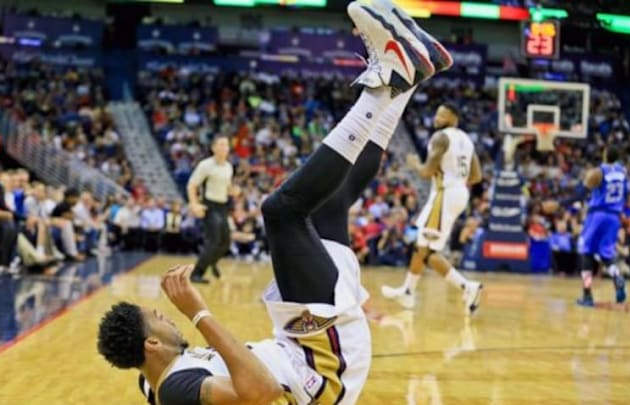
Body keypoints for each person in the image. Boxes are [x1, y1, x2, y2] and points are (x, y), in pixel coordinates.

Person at [96, 2, 451, 403]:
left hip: (306, 350)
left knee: (329, 206)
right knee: (280, 211)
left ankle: (410, 80)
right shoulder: (174, 387)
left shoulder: (155, 379)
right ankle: (389, 77)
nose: (166, 317)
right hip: (321, 368)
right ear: (152, 346)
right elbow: (262, 392)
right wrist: (198, 313)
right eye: (157, 320)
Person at [381, 102, 484, 316]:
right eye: (437, 113)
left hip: (444, 194)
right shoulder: (466, 139)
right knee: (422, 244)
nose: (437, 118)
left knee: (428, 252)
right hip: (457, 192)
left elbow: (426, 172)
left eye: (442, 114)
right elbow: (476, 176)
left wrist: (414, 163)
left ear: (453, 118)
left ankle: (467, 287)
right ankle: (408, 290)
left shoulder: (440, 138)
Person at [576, 146, 627, 306]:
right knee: (606, 255)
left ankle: (587, 295)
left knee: (586, 252)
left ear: (605, 155)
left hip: (597, 215)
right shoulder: (623, 172)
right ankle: (617, 277)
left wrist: (561, 203)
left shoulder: (599, 172)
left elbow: (580, 193)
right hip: (614, 217)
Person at [187, 135, 237, 283]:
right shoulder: (205, 165)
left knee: (226, 242)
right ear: (213, 148)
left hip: (223, 206)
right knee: (214, 241)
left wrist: (233, 191)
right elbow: (192, 185)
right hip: (209, 205)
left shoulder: (228, 167)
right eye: (220, 145)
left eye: (226, 145)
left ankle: (212, 262)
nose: (224, 148)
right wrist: (194, 204)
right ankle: (196, 273)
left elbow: (227, 187)